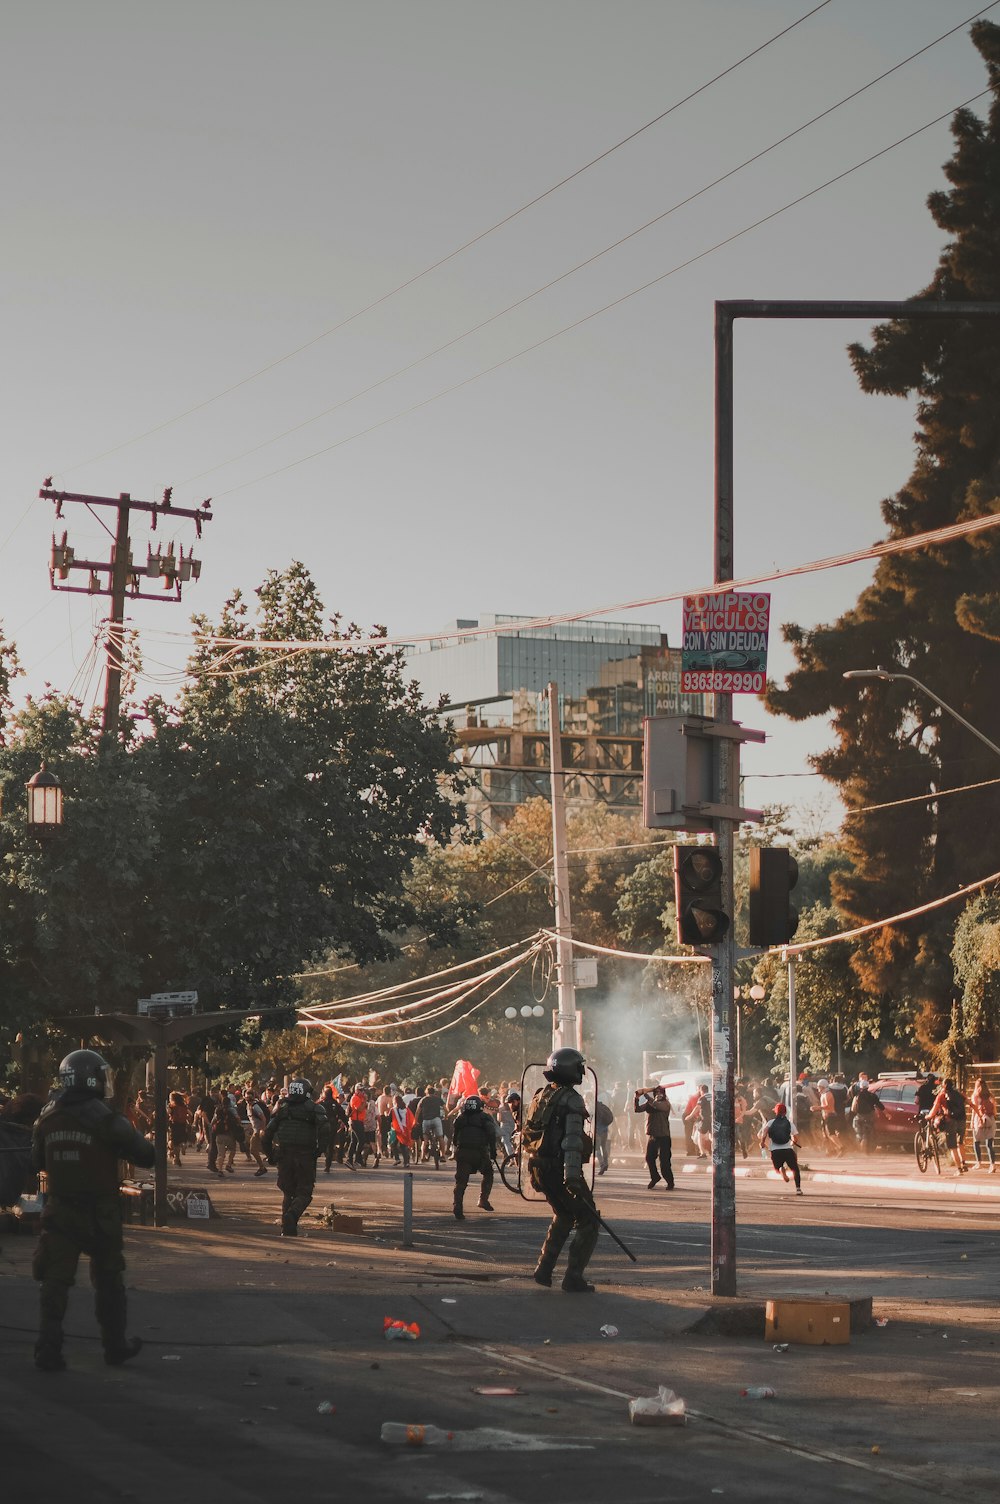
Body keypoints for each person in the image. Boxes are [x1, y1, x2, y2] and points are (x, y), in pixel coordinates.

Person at [30, 1049, 155, 1371]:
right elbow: (145, 1155)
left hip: (58, 1210)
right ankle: (114, 1346)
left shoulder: (47, 1115)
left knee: (55, 1281)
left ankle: (49, 1346)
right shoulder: (105, 1118)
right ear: (93, 1078)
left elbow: (36, 1161)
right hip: (100, 1212)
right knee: (109, 1280)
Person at [522, 1048, 600, 1294]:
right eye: (578, 1066)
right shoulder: (571, 1099)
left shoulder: (541, 1095)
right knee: (588, 1220)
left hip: (540, 1167)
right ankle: (573, 1277)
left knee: (564, 1214)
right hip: (559, 1169)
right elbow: (572, 1142)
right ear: (570, 1069)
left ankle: (544, 1270)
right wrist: (572, 1177)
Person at [262, 1078, 330, 1236]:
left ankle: (287, 1228)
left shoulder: (282, 1109)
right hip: (305, 1156)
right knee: (304, 1192)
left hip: (284, 1156)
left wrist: (270, 1155)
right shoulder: (314, 1109)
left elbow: (267, 1134)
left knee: (288, 1192)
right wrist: (320, 1149)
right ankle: (292, 1216)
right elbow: (325, 1128)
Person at [451, 1095, 497, 1219]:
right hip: (480, 1153)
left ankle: (457, 1206)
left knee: (461, 1182)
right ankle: (483, 1199)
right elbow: (492, 1134)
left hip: (463, 1153)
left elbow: (454, 1138)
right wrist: (493, 1151)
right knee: (488, 1173)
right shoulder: (485, 1118)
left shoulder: (460, 1118)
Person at [634, 1084, 674, 1189]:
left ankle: (670, 1182)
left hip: (664, 1137)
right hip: (653, 1136)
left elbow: (657, 1106)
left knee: (664, 1162)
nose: (659, 1095)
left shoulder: (665, 1104)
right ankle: (655, 1177)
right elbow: (637, 1109)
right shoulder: (651, 1103)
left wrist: (645, 1094)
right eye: (657, 1093)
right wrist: (637, 1098)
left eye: (661, 1093)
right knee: (649, 1158)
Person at [929, 1077, 970, 1175]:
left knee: (953, 1147)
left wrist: (928, 1116)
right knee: (960, 1142)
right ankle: (964, 1163)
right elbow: (971, 1104)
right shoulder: (959, 1094)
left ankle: (959, 1169)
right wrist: (979, 1115)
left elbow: (934, 1110)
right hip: (962, 1121)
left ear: (943, 1085)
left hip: (950, 1121)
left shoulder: (942, 1096)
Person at [760, 1100, 802, 1194]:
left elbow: (764, 1132)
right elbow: (796, 1137)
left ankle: (781, 1169)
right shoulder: (789, 1123)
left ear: (776, 1111)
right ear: (785, 1112)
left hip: (775, 1151)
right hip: (787, 1150)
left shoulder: (770, 1122)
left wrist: (762, 1142)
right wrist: (793, 1143)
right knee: (795, 1169)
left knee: (777, 1168)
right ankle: (798, 1189)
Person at [847, 1072, 885, 1154]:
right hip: (870, 1116)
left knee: (858, 1130)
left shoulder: (857, 1095)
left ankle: (860, 1145)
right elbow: (879, 1105)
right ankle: (868, 1146)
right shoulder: (872, 1095)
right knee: (871, 1130)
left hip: (859, 1116)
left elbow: (853, 1108)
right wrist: (887, 1113)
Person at [969, 1077, 997, 1171]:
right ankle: (992, 1165)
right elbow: (995, 1111)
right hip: (990, 1120)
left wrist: (972, 1121)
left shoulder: (975, 1095)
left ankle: (979, 1163)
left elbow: (974, 1109)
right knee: (989, 1144)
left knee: (976, 1142)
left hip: (979, 1119)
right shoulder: (990, 1096)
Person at [685, 1083, 712, 1158]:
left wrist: (690, 1116)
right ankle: (717, 1151)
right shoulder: (713, 1096)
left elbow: (697, 1107)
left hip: (705, 1119)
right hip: (713, 1119)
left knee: (700, 1136)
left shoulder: (702, 1098)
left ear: (701, 1090)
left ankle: (703, 1153)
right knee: (712, 1136)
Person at [593, 1093, 614, 1174]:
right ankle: (606, 1163)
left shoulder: (592, 1107)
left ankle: (602, 1165)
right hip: (605, 1129)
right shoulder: (602, 1106)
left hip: (597, 1131)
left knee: (597, 1148)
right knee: (603, 1147)